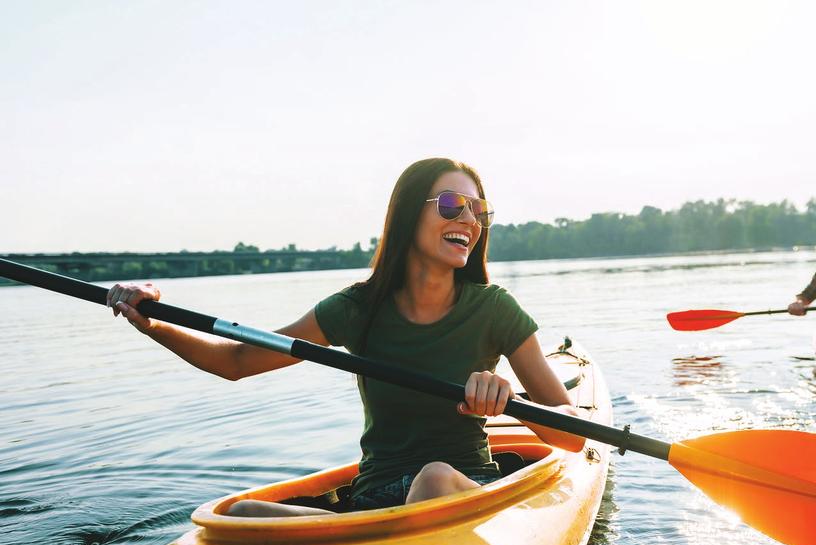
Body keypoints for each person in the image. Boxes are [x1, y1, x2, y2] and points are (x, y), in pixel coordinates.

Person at [106, 158, 584, 517]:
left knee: (433, 478)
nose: (470, 220)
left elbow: (571, 434)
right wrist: (153, 321)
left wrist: (508, 400)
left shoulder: (495, 309)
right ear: (406, 215)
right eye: (452, 205)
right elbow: (235, 360)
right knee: (239, 512)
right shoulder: (357, 308)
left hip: (460, 488)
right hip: (374, 500)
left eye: (479, 211)